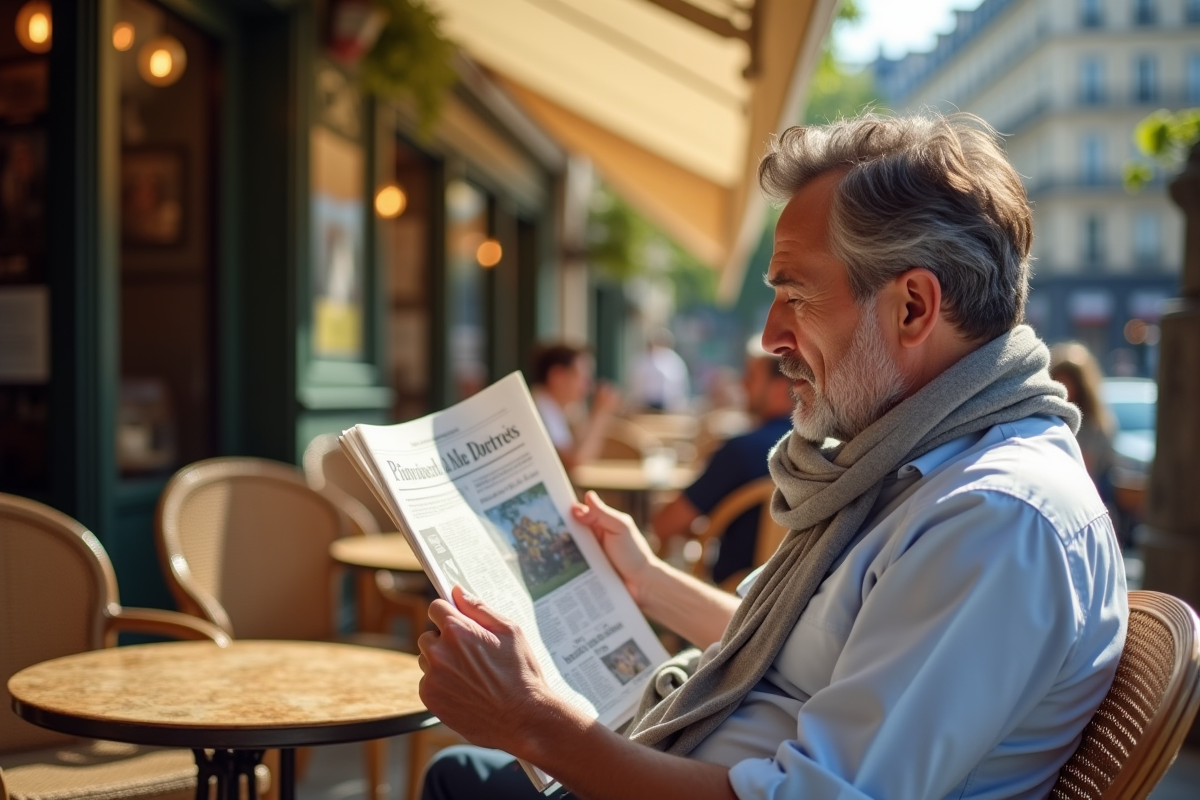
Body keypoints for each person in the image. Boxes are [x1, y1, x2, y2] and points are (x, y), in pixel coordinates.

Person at [417, 112, 1127, 800]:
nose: (771, 335)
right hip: (685, 747)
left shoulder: (995, 521)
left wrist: (538, 723)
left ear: (912, 306)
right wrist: (648, 581)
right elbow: (806, 650)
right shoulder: (923, 464)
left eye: (795, 294)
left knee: (458, 776)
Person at [651, 340, 794, 586]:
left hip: (736, 590)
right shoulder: (824, 447)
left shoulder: (741, 450)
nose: (743, 384)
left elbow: (665, 525)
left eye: (751, 377)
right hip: (802, 591)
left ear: (779, 388)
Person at [529, 342, 621, 470]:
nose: (588, 385)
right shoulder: (540, 408)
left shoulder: (554, 405)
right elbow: (575, 461)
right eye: (582, 376)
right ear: (557, 376)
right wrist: (600, 413)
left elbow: (581, 447)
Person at [1049, 341, 1116, 502]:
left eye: (1066, 381)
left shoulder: (1092, 425)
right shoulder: (1047, 418)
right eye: (1057, 381)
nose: (1062, 388)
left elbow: (1089, 469)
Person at [630, 328, 691, 412]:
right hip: (644, 407)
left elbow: (679, 386)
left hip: (669, 407)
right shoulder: (641, 360)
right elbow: (636, 384)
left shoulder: (675, 362)